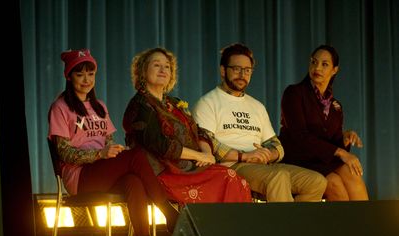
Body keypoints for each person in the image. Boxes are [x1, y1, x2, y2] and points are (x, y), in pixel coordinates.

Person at [48, 49, 180, 236]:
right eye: (80, 75)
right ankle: (168, 212)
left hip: (102, 172)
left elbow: (109, 142)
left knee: (133, 182)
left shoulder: (99, 106)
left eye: (91, 74)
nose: (87, 80)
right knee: (137, 156)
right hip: (80, 178)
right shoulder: (60, 107)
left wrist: (114, 152)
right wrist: (100, 154)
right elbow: (64, 153)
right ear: (69, 77)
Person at [192, 43, 327, 202]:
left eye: (247, 70)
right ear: (223, 71)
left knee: (317, 181)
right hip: (231, 166)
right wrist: (246, 156)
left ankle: (298, 225)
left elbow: (276, 144)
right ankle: (286, 227)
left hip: (263, 166)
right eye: (236, 69)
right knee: (279, 177)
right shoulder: (208, 102)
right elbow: (208, 143)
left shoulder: (257, 106)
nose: (242, 74)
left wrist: (269, 154)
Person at [122, 47, 252, 205]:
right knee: (228, 179)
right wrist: (198, 156)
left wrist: (207, 153)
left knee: (235, 179)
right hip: (162, 172)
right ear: (143, 70)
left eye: (167, 66)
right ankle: (216, 228)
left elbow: (199, 131)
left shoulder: (174, 103)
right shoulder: (140, 105)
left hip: (189, 168)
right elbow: (160, 145)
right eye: (157, 65)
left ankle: (226, 229)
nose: (163, 69)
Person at [278, 45, 369, 201]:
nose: (317, 68)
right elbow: (300, 136)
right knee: (334, 183)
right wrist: (341, 152)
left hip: (321, 160)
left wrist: (345, 139)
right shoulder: (294, 93)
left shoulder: (335, 106)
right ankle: (351, 225)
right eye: (314, 62)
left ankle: (367, 223)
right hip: (299, 159)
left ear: (334, 70)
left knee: (350, 171)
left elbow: (333, 143)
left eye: (324, 64)